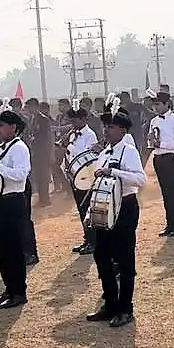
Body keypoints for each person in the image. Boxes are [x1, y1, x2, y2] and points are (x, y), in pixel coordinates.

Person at [85, 107, 147, 328]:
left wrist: (115, 172)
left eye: (111, 127)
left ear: (122, 130)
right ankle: (110, 302)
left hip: (126, 207)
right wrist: (89, 213)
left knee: (124, 258)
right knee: (101, 255)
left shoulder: (128, 150)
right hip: (105, 208)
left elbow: (140, 180)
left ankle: (125, 307)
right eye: (105, 126)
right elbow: (98, 186)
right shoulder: (103, 153)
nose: (106, 130)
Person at [0, 109, 32, 309]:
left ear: (13, 128)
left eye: (1, 125)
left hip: (13, 201)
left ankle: (19, 291)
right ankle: (9, 287)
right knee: (2, 248)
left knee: (14, 248)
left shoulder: (19, 148)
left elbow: (20, 175)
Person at [147, 91, 174, 237]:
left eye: (158, 104)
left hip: (171, 158)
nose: (155, 107)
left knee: (172, 192)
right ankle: (170, 224)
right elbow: (152, 139)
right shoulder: (154, 121)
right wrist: (152, 142)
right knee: (165, 192)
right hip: (158, 157)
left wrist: (161, 143)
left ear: (167, 104)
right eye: (154, 104)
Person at [65, 102, 98, 255]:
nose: (72, 123)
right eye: (71, 120)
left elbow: (87, 156)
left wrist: (70, 147)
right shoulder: (72, 133)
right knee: (80, 209)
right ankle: (87, 238)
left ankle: (94, 240)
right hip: (75, 175)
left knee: (87, 208)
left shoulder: (90, 135)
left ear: (83, 119)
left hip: (86, 175)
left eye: (75, 120)